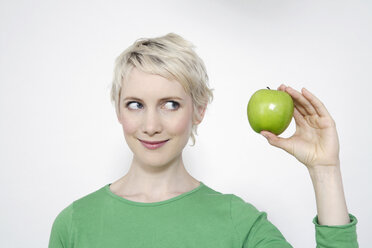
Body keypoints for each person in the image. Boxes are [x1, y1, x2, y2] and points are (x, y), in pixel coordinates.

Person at [48, 33, 358, 247]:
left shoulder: (238, 221)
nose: (151, 125)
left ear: (199, 111)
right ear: (118, 110)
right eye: (135, 105)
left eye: (171, 104)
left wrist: (325, 170)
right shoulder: (75, 223)